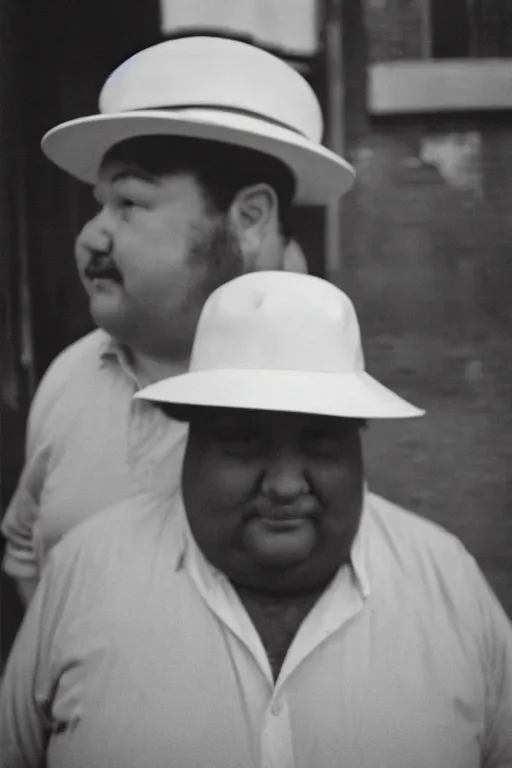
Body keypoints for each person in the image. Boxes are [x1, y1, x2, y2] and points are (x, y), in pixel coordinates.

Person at [2, 270, 511, 768]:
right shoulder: (85, 573)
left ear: (357, 444)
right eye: (244, 441)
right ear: (190, 441)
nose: (286, 485)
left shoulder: (447, 581)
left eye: (321, 441)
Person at [0, 36, 355, 606]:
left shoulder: (319, 395)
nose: (92, 235)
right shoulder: (70, 375)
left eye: (130, 203)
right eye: (99, 204)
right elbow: (26, 549)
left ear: (249, 217)